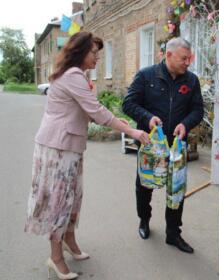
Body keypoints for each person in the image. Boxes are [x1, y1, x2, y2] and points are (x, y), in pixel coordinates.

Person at [24, 31, 150, 280]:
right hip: (58, 147)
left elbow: (88, 110)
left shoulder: (74, 75)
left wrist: (118, 121)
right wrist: (131, 130)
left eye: (98, 54)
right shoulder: (72, 76)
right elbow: (97, 112)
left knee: (73, 197)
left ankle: (70, 239)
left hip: (68, 145)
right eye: (94, 53)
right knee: (59, 201)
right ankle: (55, 257)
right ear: (81, 52)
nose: (97, 58)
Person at [122, 37, 203, 254]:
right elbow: (128, 104)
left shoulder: (192, 81)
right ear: (168, 55)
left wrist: (186, 124)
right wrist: (148, 118)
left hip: (176, 146)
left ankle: (173, 233)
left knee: (176, 189)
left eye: (189, 58)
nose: (188, 62)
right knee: (145, 185)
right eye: (184, 58)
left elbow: (198, 110)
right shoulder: (146, 75)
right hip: (151, 145)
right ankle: (144, 220)